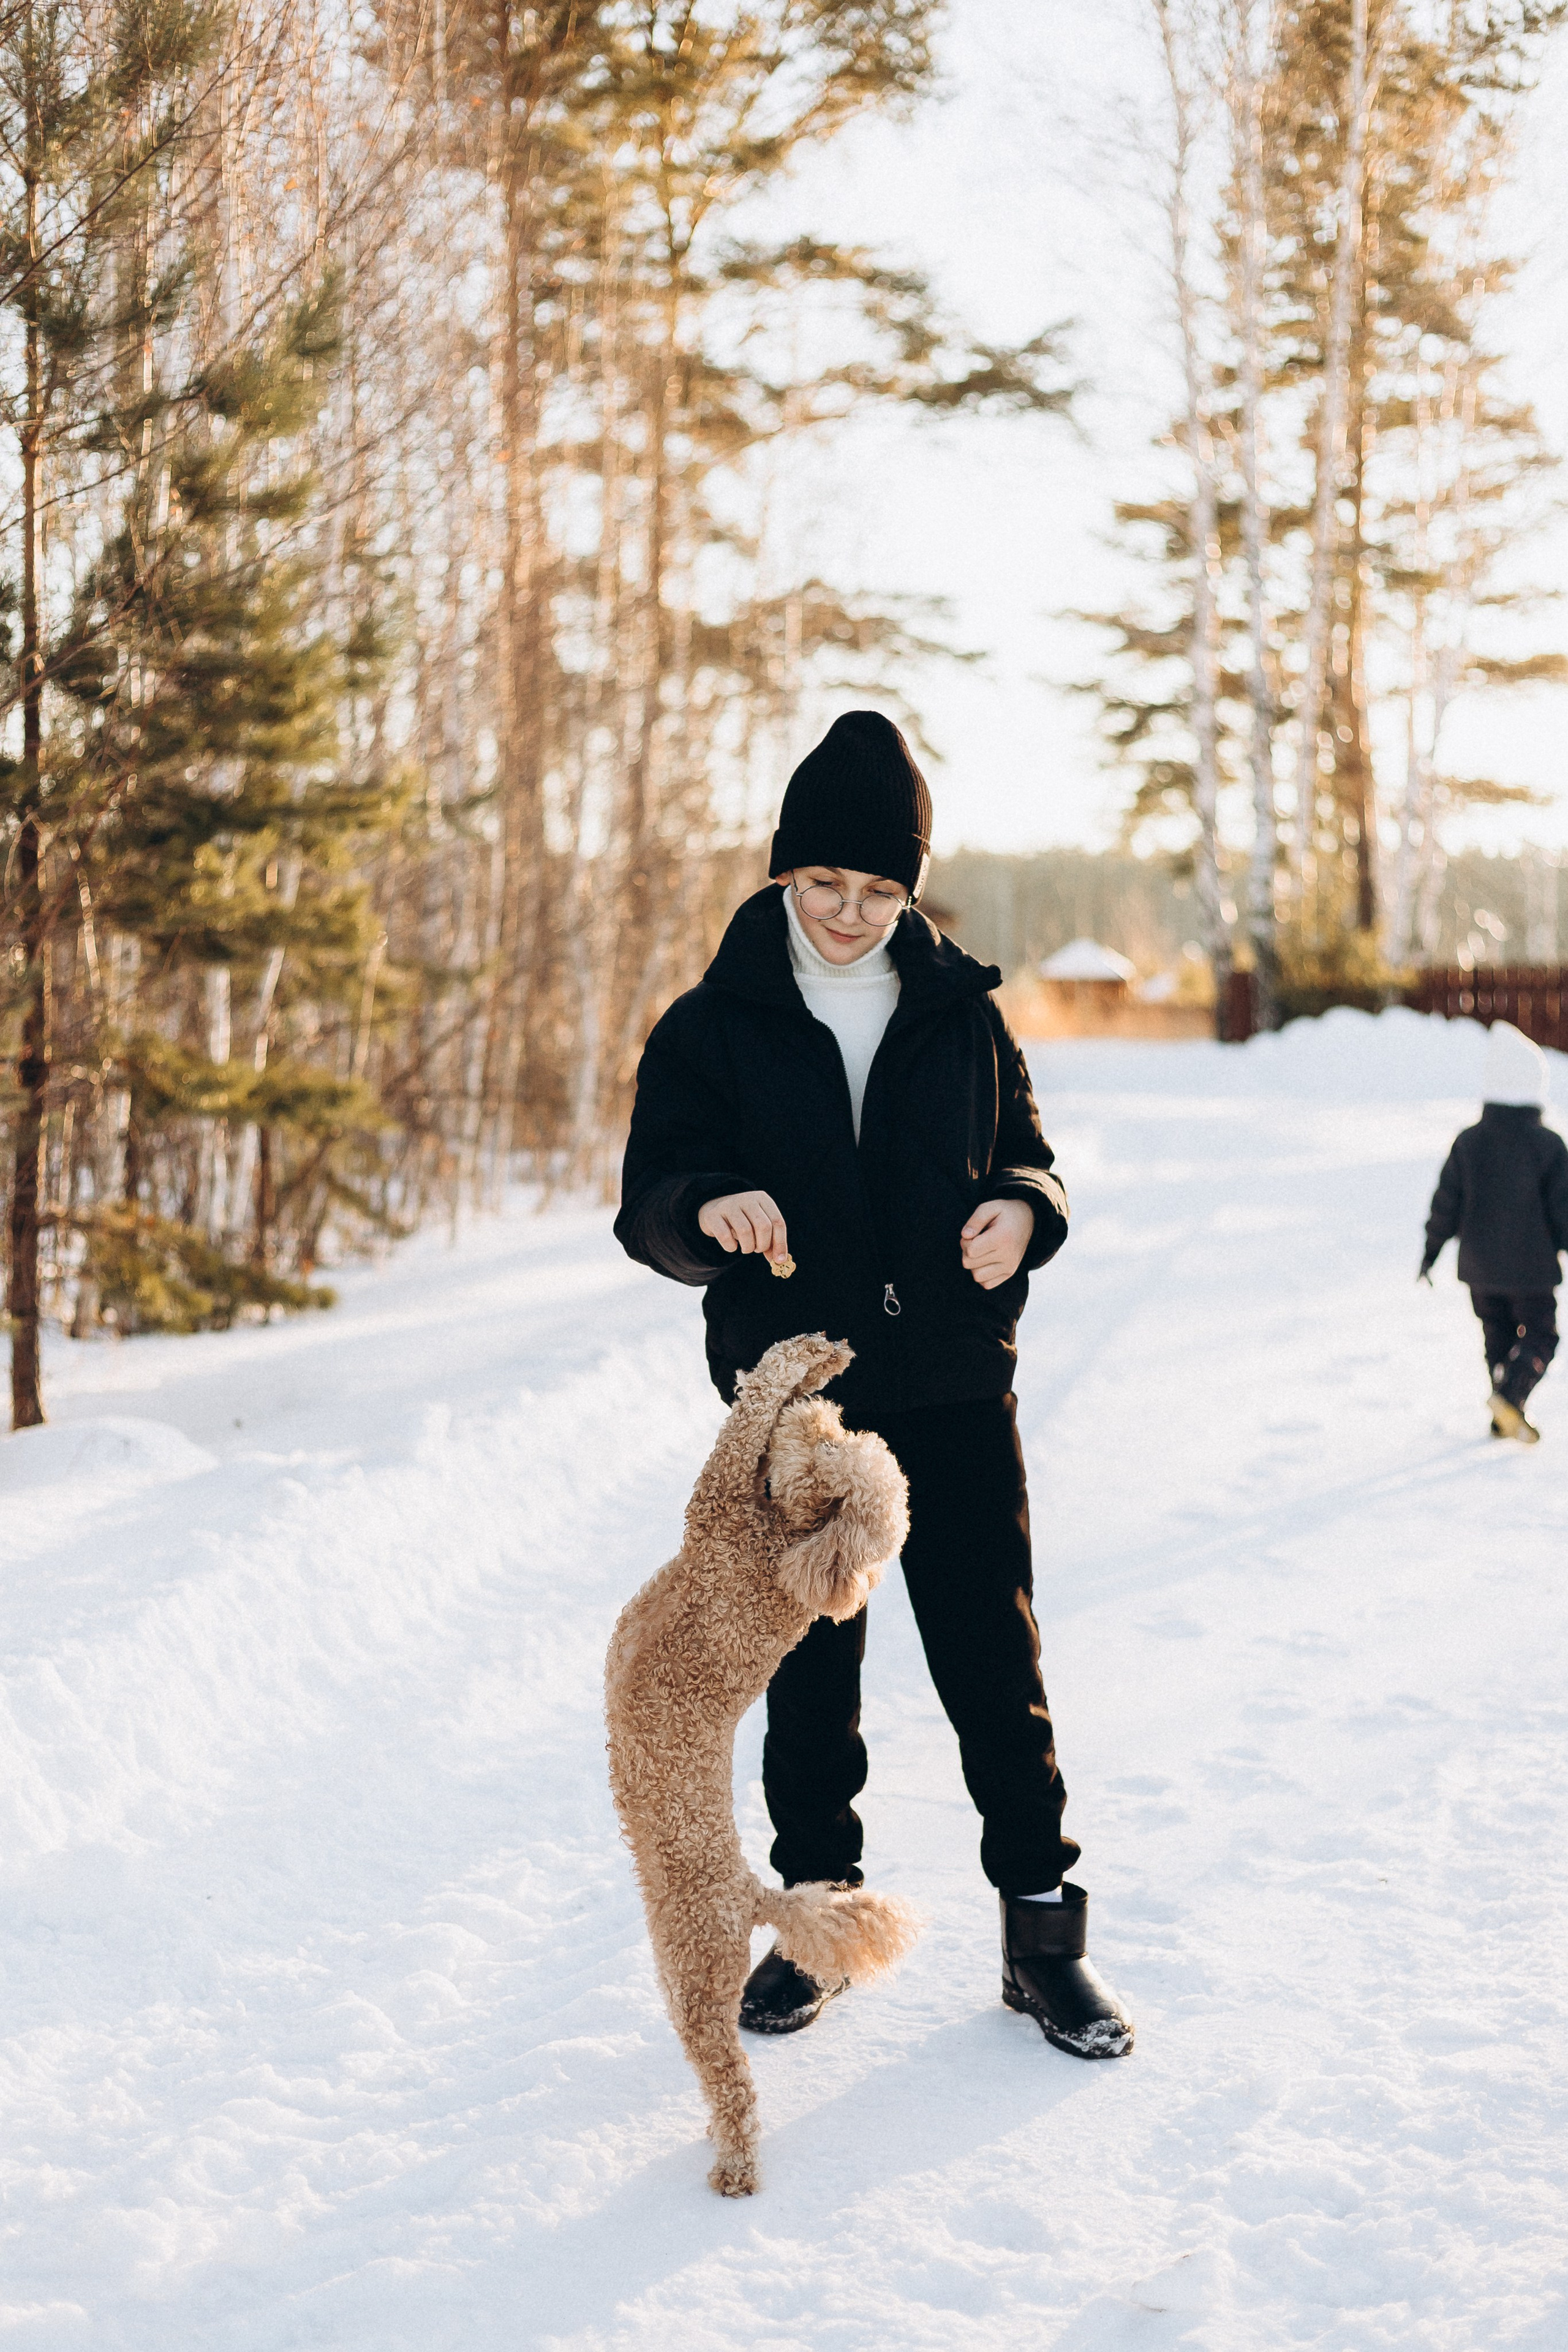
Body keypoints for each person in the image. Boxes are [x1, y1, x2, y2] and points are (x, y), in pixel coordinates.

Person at [614, 710, 1133, 2061]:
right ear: (782, 873)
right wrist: (704, 1204)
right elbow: (646, 1201)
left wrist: (1026, 1211)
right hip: (801, 1406)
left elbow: (1030, 1155)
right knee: (810, 1676)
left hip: (953, 1383)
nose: (848, 915)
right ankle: (817, 1927)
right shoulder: (712, 1025)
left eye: (878, 890)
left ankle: (1040, 1940)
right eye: (823, 885)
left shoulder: (962, 1013)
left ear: (911, 888)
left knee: (988, 1659)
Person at [1421, 1020, 1568, 1444]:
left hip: (1481, 1270)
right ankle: (1509, 1397)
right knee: (1541, 1335)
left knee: (1498, 1337)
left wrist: (1431, 1251)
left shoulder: (1469, 1143)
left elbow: (1446, 1202)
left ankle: (1504, 1409)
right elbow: (1563, 1211)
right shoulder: (1549, 1145)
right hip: (1531, 1270)